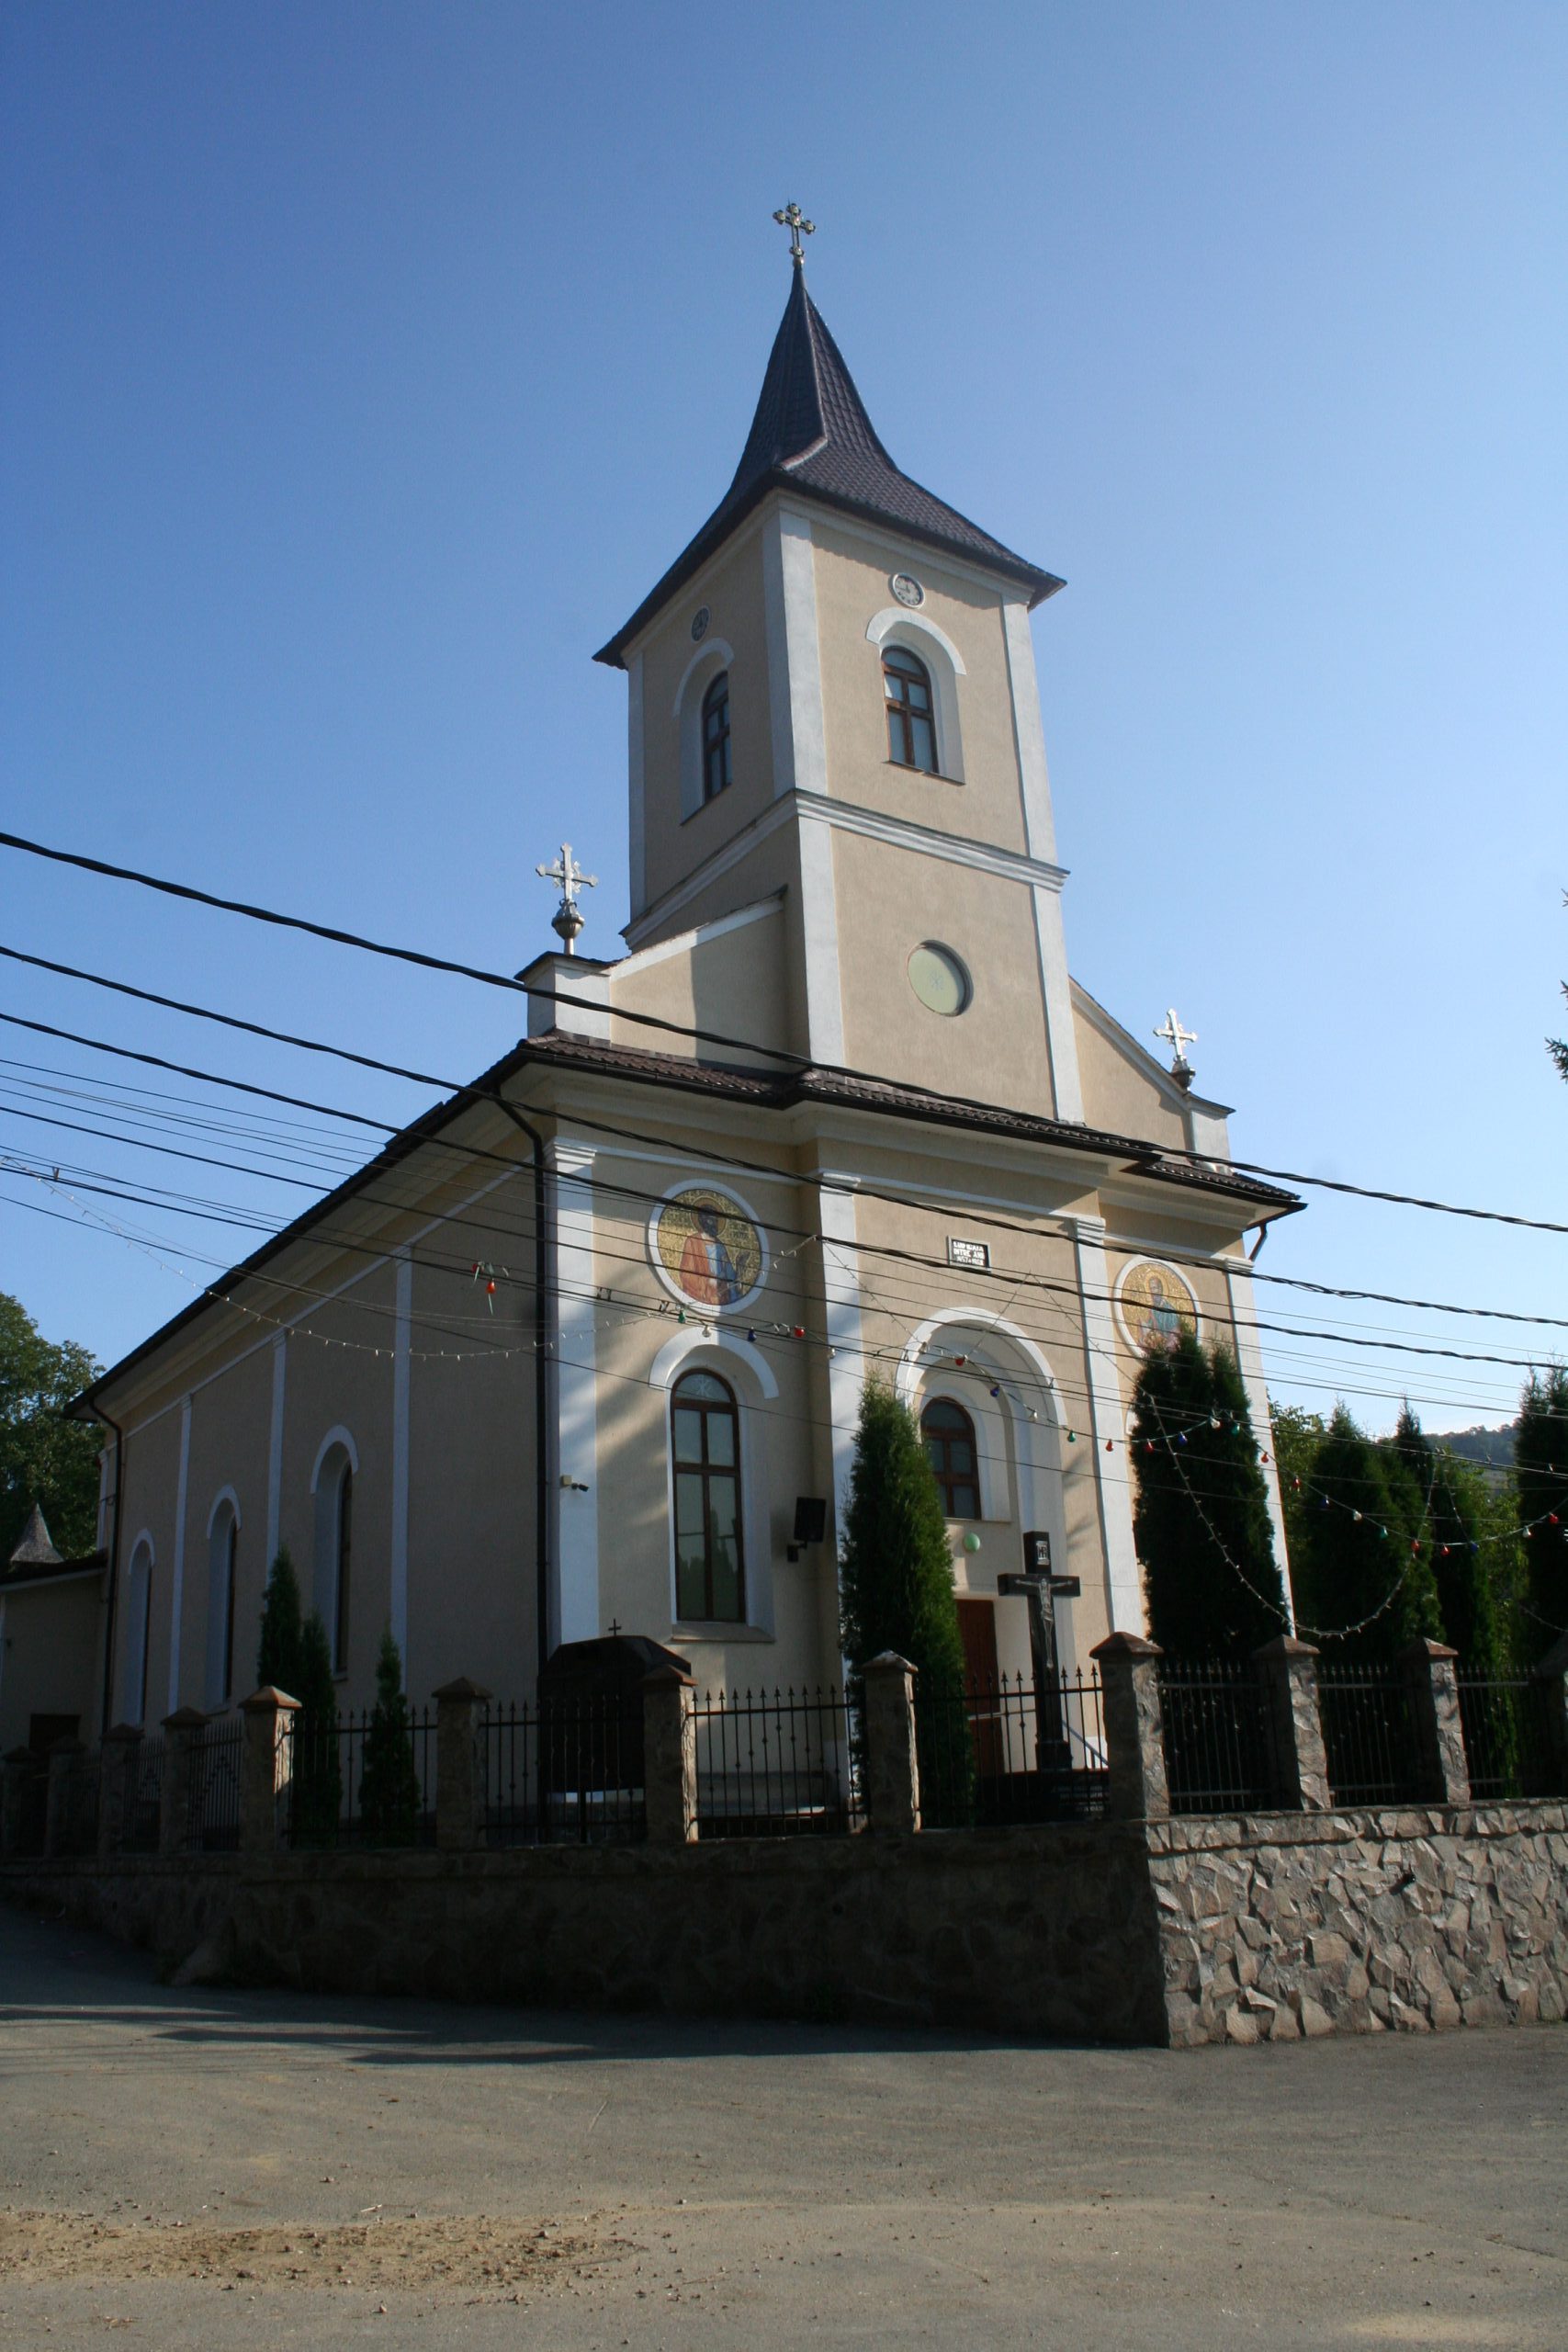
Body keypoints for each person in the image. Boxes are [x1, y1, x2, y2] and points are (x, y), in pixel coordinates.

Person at [677, 1204, 743, 1307]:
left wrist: (739, 1267)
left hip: (722, 1296)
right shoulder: (693, 1242)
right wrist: (708, 1281)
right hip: (703, 1296)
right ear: (704, 1221)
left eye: (716, 1221)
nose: (716, 1224)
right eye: (712, 1220)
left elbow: (730, 1276)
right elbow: (685, 1274)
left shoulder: (720, 1245)